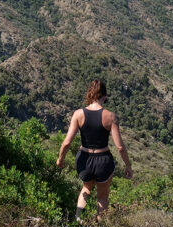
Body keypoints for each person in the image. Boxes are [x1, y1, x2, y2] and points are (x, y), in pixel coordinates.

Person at [56, 79, 132, 219]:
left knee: (86, 189)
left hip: (84, 159)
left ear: (90, 95)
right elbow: (120, 147)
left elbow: (66, 143)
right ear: (105, 97)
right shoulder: (110, 116)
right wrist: (128, 165)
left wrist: (61, 159)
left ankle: (78, 222)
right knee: (102, 198)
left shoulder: (78, 114)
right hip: (103, 161)